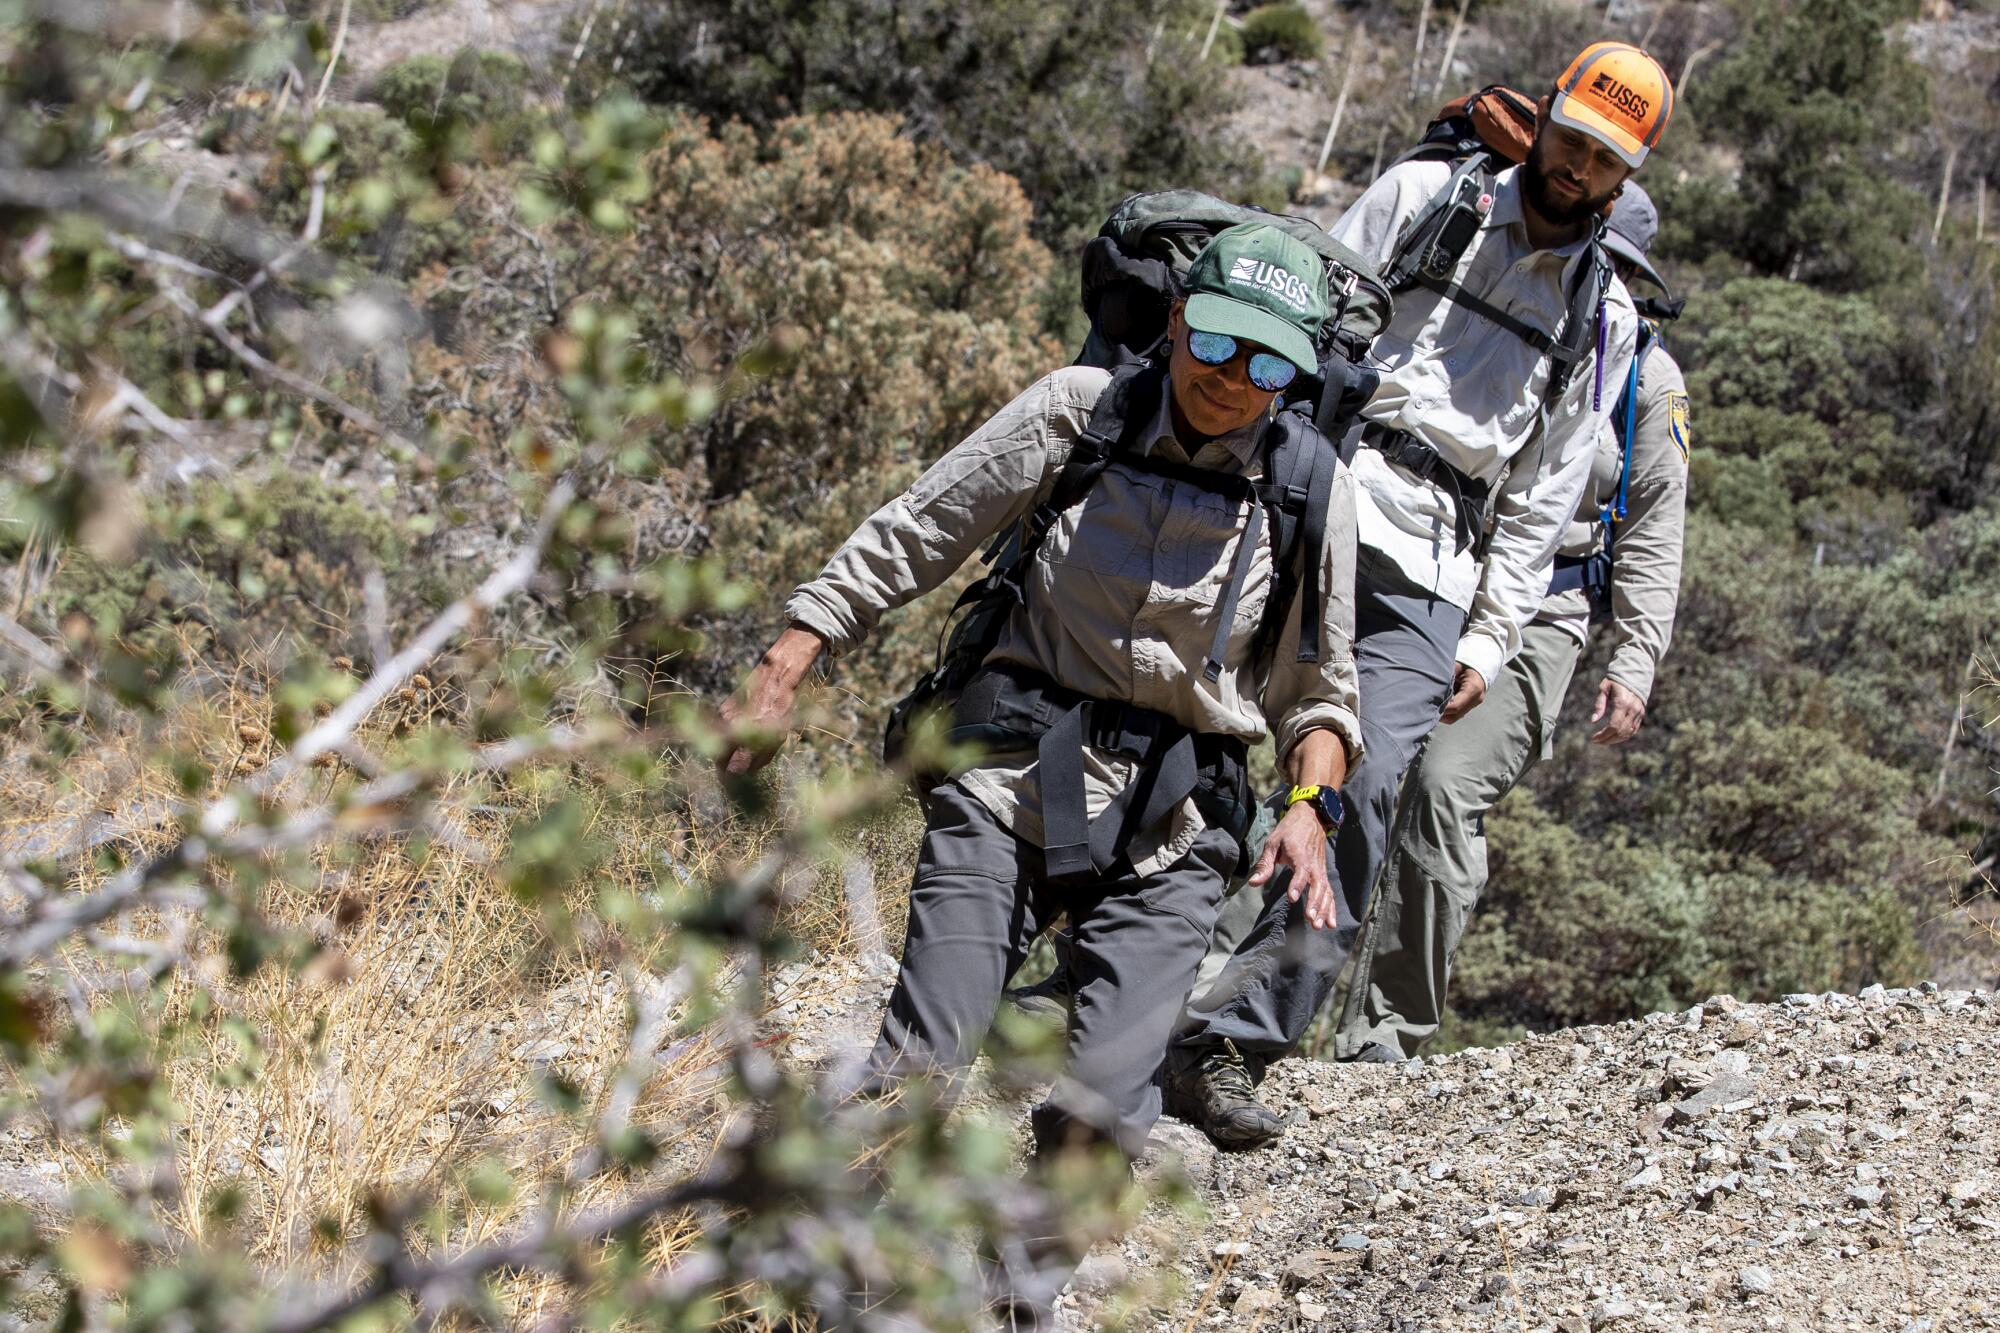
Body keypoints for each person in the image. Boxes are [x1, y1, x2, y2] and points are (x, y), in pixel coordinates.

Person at [719, 222, 1365, 1326]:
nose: (1229, 378)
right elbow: (918, 529)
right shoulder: (1078, 411)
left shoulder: (1310, 487)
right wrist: (796, 645)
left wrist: (1308, 806)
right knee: (924, 1059)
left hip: (1173, 823)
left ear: (1298, 374)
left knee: (1105, 1116)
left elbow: (1319, 691)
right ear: (1174, 322)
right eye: (1214, 341)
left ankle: (1010, 1303)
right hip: (1011, 777)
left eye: (1267, 363)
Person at [1163, 40, 1675, 1151]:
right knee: (1182, 722)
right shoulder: (1421, 197)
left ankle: (1225, 1043)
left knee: (1366, 786)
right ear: (1544, 118)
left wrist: (1490, 639)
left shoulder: (1604, 319)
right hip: (1316, 487)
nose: (1580, 168)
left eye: (1606, 161)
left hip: (1441, 553)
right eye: (1574, 139)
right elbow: (1293, 330)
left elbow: (1542, 492)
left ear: (1628, 179)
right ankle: (1105, 969)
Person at [1335, 183, 1690, 1063]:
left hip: (1544, 614)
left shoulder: (1648, 380)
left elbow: (1655, 524)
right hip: (1431, 561)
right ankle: (1237, 1005)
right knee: (1340, 760)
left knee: (1445, 792)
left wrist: (1637, 658)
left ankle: (1386, 1038)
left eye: (1625, 272)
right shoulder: (1504, 304)